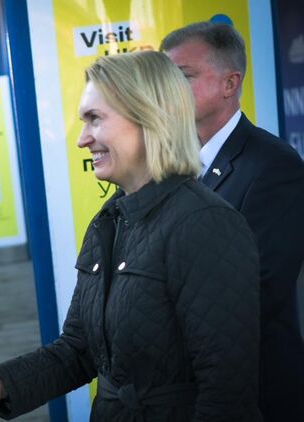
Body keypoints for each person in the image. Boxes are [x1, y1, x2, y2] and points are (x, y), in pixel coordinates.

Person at [0, 51, 262, 420]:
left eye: (95, 119)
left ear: (149, 116)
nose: (82, 139)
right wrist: (0, 384)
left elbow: (227, 395)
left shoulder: (206, 224)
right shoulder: (109, 221)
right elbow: (78, 350)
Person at [161, 22, 304, 421]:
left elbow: (258, 292)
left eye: (184, 76)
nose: (169, 90)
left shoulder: (274, 165)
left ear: (230, 84)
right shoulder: (168, 165)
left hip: (255, 392)